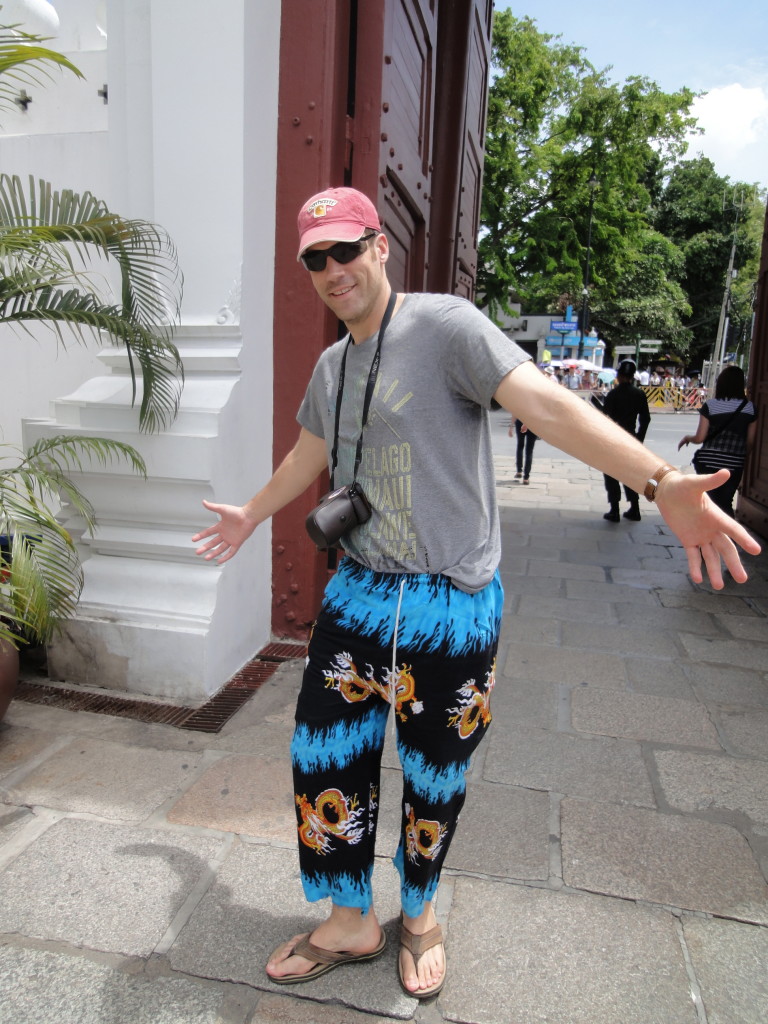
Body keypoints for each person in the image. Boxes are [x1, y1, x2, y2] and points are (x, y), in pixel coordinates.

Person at [192, 186, 760, 1000]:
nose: (332, 270)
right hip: (357, 596)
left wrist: (661, 475)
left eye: (345, 250)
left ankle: (418, 914)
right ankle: (350, 917)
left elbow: (546, 405)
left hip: (450, 604)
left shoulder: (446, 326)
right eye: (314, 259)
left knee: (436, 770)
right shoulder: (331, 364)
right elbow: (308, 454)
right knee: (324, 760)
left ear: (379, 247)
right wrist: (251, 513)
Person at [678, 364, 757, 517]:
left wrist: (688, 438)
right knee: (725, 503)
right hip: (734, 464)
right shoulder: (750, 408)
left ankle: (702, 538)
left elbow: (700, 437)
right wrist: (739, 456)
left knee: (708, 502)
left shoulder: (711, 405)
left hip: (708, 462)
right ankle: (728, 537)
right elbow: (750, 442)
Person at [599, 359, 652, 522]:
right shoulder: (639, 394)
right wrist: (639, 438)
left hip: (614, 439)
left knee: (611, 474)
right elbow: (645, 419)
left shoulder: (613, 394)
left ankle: (614, 509)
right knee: (630, 474)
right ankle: (634, 508)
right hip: (631, 438)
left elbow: (604, 416)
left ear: (619, 375)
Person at [509, 418, 537, 483]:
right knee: (529, 451)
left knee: (520, 446)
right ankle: (526, 477)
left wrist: (511, 427)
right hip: (533, 423)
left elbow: (515, 412)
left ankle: (519, 471)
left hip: (520, 421)